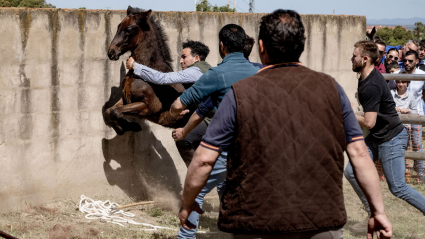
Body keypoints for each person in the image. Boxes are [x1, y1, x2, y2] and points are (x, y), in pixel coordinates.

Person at [179, 10, 393, 239]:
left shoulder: (239, 93)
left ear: (261, 47)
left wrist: (187, 202)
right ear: (301, 45)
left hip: (256, 222)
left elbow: (203, 159)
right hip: (321, 223)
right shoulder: (332, 88)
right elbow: (360, 154)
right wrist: (377, 211)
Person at [171, 24, 259, 239]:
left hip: (227, 150)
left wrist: (174, 112)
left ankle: (186, 237)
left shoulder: (217, 74)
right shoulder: (260, 71)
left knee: (196, 191)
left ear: (222, 46)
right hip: (257, 152)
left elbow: (179, 106)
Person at [345, 40, 425, 232]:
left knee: (397, 187)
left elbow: (370, 122)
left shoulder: (371, 84)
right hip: (377, 137)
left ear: (364, 59)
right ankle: (373, 213)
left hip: (391, 137)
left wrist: (346, 114)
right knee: (351, 171)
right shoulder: (364, 78)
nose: (351, 58)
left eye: (354, 56)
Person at [125, 40, 214, 166]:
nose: (180, 61)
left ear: (196, 58)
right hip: (216, 117)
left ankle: (196, 179)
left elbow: (163, 78)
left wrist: (135, 66)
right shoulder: (208, 70)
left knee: (183, 138)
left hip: (215, 120)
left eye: (184, 57)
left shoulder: (195, 72)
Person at [390, 75, 423, 182]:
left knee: (416, 145)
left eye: (404, 82)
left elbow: (414, 111)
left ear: (407, 83)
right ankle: (399, 171)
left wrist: (407, 111)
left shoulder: (411, 95)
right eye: (399, 82)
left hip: (407, 126)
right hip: (394, 125)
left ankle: (420, 171)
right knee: (398, 149)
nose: (401, 84)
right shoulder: (391, 94)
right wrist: (395, 109)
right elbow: (387, 108)